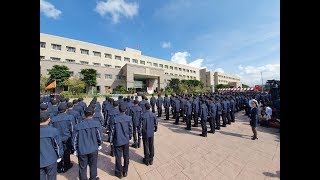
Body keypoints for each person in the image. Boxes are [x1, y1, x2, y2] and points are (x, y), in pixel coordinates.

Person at [73, 107, 103, 180]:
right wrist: (100, 144)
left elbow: (74, 139)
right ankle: (93, 178)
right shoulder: (96, 124)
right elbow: (99, 136)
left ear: (84, 114)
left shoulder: (78, 126)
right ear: (93, 114)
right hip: (93, 148)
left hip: (82, 149)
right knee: (93, 165)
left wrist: (74, 149)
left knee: (82, 167)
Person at [109, 105, 133, 178]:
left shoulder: (115, 119)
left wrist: (111, 140)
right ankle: (125, 171)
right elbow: (130, 128)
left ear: (119, 110)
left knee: (118, 156)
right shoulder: (129, 118)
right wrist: (130, 137)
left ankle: (119, 173)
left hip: (118, 140)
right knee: (126, 155)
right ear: (125, 110)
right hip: (125, 140)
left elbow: (112, 131)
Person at [51, 103, 75, 173]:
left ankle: (59, 166)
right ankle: (66, 165)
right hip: (67, 137)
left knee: (58, 151)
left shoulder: (53, 119)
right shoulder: (70, 117)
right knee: (66, 151)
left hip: (57, 138)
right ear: (66, 109)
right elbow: (72, 129)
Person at [40, 112, 63, 180]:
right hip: (51, 159)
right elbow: (58, 146)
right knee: (52, 177)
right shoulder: (53, 131)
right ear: (48, 119)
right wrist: (60, 156)